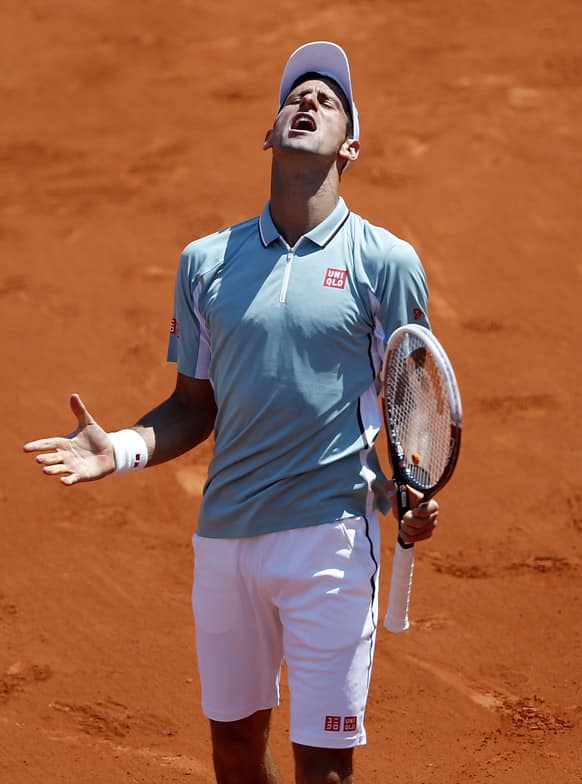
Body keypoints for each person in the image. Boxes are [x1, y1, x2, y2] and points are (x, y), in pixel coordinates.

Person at [24, 41, 439, 784]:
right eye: (295, 96)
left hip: (331, 543)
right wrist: (116, 448)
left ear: (351, 145)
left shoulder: (387, 263)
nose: (306, 101)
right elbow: (193, 406)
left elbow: (413, 408)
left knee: (326, 770)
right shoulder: (206, 262)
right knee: (236, 756)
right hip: (226, 543)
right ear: (270, 133)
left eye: (327, 99)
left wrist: (407, 496)